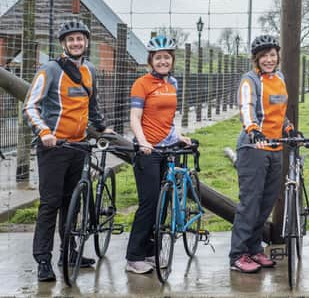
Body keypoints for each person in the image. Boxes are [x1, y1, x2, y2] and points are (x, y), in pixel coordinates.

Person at [23, 19, 110, 282]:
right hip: (54, 148)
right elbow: (30, 106)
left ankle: (69, 253)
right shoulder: (49, 70)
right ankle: (43, 261)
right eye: (71, 39)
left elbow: (91, 106)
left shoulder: (90, 71)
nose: (76, 43)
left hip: (80, 146)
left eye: (80, 39)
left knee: (73, 203)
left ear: (86, 42)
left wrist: (103, 128)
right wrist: (45, 133)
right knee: (50, 204)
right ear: (63, 43)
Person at [229, 35, 299, 273]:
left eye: (272, 55)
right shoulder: (250, 80)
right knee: (250, 202)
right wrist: (253, 130)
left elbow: (279, 113)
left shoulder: (279, 78)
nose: (269, 59)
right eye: (264, 56)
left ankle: (254, 249)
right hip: (253, 149)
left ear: (277, 56)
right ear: (256, 59)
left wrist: (288, 127)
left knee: (266, 202)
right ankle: (238, 254)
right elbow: (247, 108)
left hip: (276, 148)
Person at [124, 35, 191, 274]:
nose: (163, 61)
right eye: (158, 57)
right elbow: (135, 117)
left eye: (167, 57)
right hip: (147, 150)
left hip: (167, 149)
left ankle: (151, 252)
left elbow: (171, 116)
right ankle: (134, 257)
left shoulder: (172, 83)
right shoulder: (141, 83)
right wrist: (142, 142)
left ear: (172, 60)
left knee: (162, 204)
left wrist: (179, 135)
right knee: (149, 203)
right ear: (151, 60)